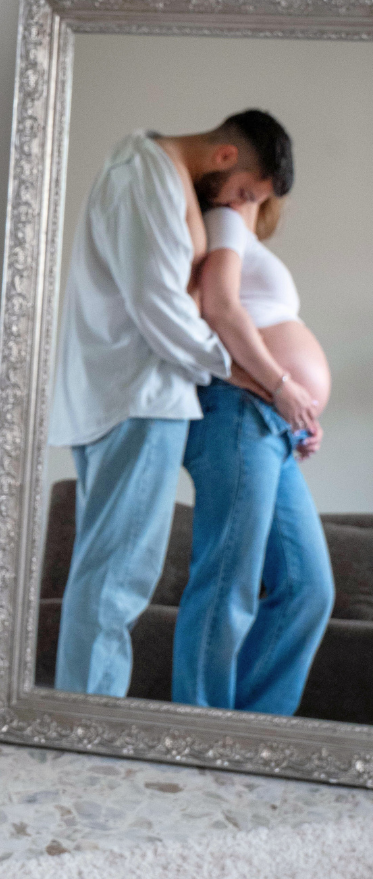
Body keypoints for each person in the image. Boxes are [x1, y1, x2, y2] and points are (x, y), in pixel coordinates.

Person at [50, 112, 290, 698]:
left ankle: (83, 717)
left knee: (113, 574)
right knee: (117, 581)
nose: (238, 207)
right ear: (227, 156)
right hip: (139, 397)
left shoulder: (156, 172)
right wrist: (247, 373)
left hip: (142, 396)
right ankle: (86, 725)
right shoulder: (145, 173)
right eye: (245, 194)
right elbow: (159, 304)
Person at [173, 182, 335, 714]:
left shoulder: (238, 233)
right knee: (227, 582)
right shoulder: (224, 219)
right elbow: (214, 311)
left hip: (273, 423)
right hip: (241, 413)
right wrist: (283, 386)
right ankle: (197, 732)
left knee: (309, 588)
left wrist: (301, 410)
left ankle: (249, 735)